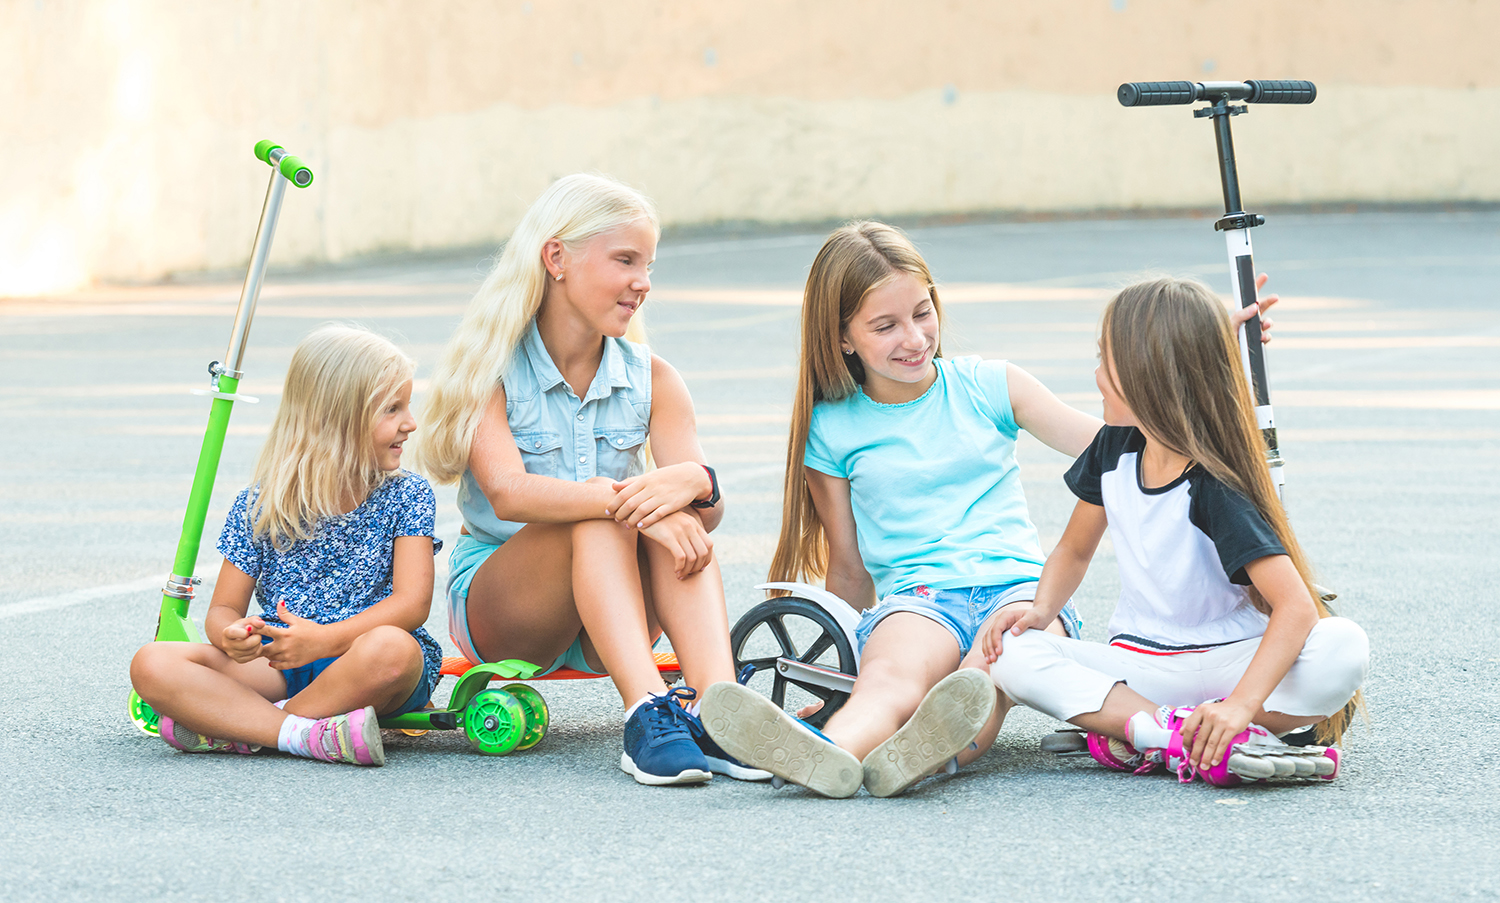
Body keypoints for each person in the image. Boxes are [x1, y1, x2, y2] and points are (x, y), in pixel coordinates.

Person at [701, 223, 1280, 798]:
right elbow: (848, 566)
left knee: (987, 677)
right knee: (887, 680)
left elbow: (1123, 437)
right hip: (919, 598)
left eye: (922, 313)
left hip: (1024, 594)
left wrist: (1198, 352)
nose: (914, 338)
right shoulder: (831, 428)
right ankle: (831, 750)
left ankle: (912, 755)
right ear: (842, 338)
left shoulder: (990, 384)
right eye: (885, 326)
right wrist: (845, 672)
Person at [413, 173, 767, 787]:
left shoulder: (655, 378)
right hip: (511, 611)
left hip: (616, 613)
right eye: (625, 260)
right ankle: (644, 714)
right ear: (556, 259)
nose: (643, 282)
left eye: (649, 264)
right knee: (607, 514)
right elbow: (508, 492)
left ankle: (719, 709)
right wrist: (636, 501)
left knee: (672, 515)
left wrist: (693, 483)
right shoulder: (490, 372)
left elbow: (705, 520)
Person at [983, 276, 1368, 786]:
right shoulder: (1112, 448)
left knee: (1343, 646)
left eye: (1105, 359)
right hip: (1142, 665)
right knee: (1011, 652)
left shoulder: (1213, 484)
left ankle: (1173, 730)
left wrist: (1240, 703)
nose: (1096, 373)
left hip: (1231, 664)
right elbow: (1073, 551)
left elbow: (1295, 608)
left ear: (1149, 375)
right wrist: (1040, 610)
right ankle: (1181, 737)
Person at [130, 325, 442, 766]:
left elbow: (412, 605)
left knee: (394, 649)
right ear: (337, 419)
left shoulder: (407, 495)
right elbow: (222, 611)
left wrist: (326, 640)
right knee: (151, 664)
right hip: (279, 662)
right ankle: (303, 734)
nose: (410, 423)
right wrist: (231, 637)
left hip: (363, 660)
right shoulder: (260, 504)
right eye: (393, 409)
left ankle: (250, 727)